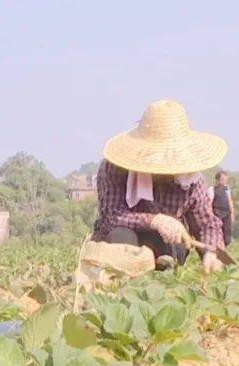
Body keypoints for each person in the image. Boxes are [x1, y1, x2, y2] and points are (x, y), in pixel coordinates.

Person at [92, 100, 227, 273]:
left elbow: (207, 224)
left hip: (164, 245)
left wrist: (212, 251)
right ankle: (121, 285)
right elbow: (111, 217)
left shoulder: (191, 179)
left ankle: (164, 280)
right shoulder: (115, 169)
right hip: (122, 242)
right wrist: (155, 220)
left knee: (169, 246)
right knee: (122, 237)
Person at [208, 171, 236, 245]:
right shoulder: (212, 189)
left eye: (225, 179)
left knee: (227, 231)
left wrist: (232, 213)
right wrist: (211, 214)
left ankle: (226, 245)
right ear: (217, 179)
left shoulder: (227, 189)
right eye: (222, 179)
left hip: (227, 213)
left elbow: (230, 201)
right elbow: (209, 203)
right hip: (217, 212)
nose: (224, 181)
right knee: (217, 231)